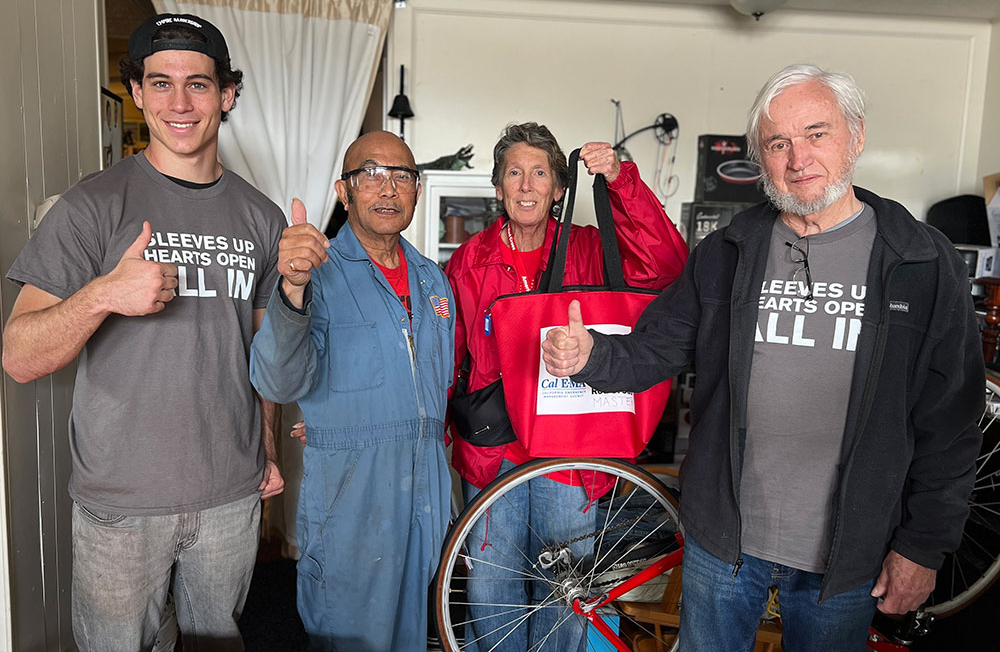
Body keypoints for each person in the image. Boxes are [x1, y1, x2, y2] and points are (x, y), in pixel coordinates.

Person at [541, 64, 984, 651]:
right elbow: (656, 348)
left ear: (855, 137)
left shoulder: (923, 262)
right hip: (723, 543)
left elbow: (950, 421)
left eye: (817, 133)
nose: (798, 157)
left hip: (849, 554)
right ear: (761, 158)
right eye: (779, 143)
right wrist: (590, 354)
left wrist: (922, 548)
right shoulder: (728, 250)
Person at [2, 13, 285, 652]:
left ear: (228, 94)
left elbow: (260, 358)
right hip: (120, 506)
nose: (179, 103)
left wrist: (265, 448)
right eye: (160, 83)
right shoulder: (91, 206)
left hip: (229, 498)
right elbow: (19, 357)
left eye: (199, 84)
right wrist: (103, 294)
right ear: (136, 93)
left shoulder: (260, 217)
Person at [446, 122, 688, 651]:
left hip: (573, 449)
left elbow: (668, 266)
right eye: (514, 173)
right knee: (492, 588)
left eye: (540, 173)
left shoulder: (590, 248)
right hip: (496, 451)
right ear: (498, 186)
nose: (527, 185)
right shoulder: (470, 259)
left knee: (567, 593)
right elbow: (450, 358)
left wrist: (622, 182)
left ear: (560, 188)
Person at [249, 131, 454, 652]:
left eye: (401, 176)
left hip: (425, 497)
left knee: (413, 636)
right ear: (345, 191)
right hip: (351, 500)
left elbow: (430, 390)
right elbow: (275, 379)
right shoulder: (316, 272)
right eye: (371, 174)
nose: (387, 188)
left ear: (417, 190)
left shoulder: (434, 281)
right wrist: (291, 288)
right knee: (347, 637)